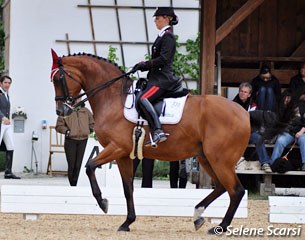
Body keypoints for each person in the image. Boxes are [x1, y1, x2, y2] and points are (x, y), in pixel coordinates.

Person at [132, 7, 180, 145]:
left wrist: (145, 64)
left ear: (167, 18)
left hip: (162, 79)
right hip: (155, 77)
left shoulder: (168, 37)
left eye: (158, 18)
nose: (155, 21)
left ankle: (158, 130)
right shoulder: (162, 36)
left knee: (143, 98)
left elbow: (164, 59)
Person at [55, 101, 94, 186]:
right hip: (70, 141)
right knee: (72, 165)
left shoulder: (86, 111)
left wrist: (90, 130)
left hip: (84, 141)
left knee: (79, 165)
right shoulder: (65, 110)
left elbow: (92, 123)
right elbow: (59, 126)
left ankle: (77, 184)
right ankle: (72, 185)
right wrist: (67, 131)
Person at [271, 92, 305, 171]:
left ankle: (304, 163)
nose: (287, 100)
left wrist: (300, 132)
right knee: (280, 141)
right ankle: (273, 163)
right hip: (289, 133)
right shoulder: (284, 109)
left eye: (289, 98)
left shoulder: (302, 106)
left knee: (304, 140)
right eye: (285, 98)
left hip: (301, 133)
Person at [0, 75, 20, 179]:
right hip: (1, 122)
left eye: (9, 83)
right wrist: (3, 117)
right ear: (0, 83)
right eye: (5, 83)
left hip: (6, 124)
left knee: (10, 146)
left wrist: (7, 118)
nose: (7, 85)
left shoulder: (6, 94)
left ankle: (8, 172)